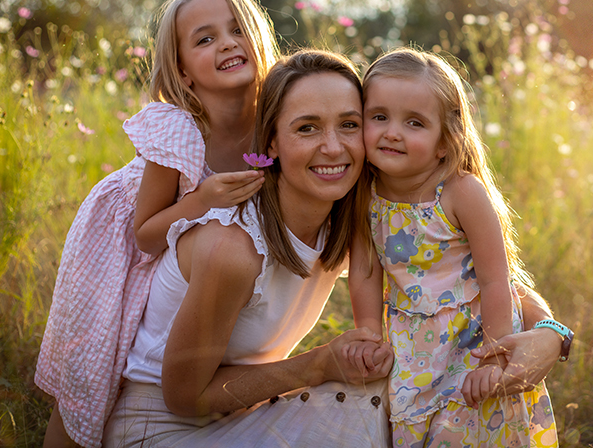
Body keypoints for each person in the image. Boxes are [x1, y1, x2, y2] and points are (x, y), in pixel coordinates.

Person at [102, 49, 394, 447]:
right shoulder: (232, 248)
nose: (332, 147)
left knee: (390, 395)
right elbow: (185, 397)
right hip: (159, 428)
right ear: (271, 142)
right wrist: (318, 365)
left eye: (348, 124)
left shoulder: (347, 223)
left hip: (243, 412)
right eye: (307, 128)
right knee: (361, 412)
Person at [37, 0, 278, 448]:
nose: (227, 42)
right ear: (184, 73)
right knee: (101, 365)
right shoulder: (179, 132)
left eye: (237, 29)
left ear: (260, 40)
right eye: (205, 39)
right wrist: (202, 200)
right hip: (122, 246)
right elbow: (145, 235)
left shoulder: (274, 121)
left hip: (187, 254)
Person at [348, 47, 563, 447]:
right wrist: (368, 334)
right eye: (379, 117)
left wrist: (496, 353)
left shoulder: (461, 192)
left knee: (465, 429)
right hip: (412, 345)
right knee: (416, 429)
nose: (392, 132)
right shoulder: (365, 193)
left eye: (414, 123)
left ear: (444, 142)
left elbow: (497, 280)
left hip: (474, 337)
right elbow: (363, 271)